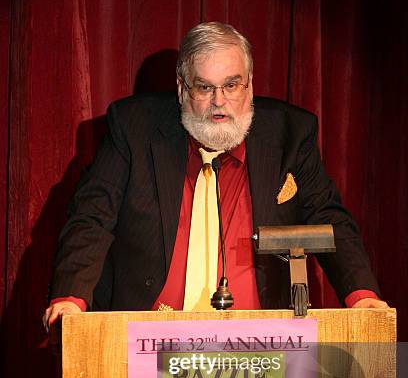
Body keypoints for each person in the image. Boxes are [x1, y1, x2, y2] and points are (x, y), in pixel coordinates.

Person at [43, 22, 387, 338]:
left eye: (231, 85)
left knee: (374, 376)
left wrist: (362, 296)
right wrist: (71, 300)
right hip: (147, 339)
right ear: (181, 89)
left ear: (250, 85)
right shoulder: (133, 129)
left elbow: (329, 219)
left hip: (261, 346)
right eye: (204, 87)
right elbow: (92, 217)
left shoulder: (291, 134)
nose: (219, 102)